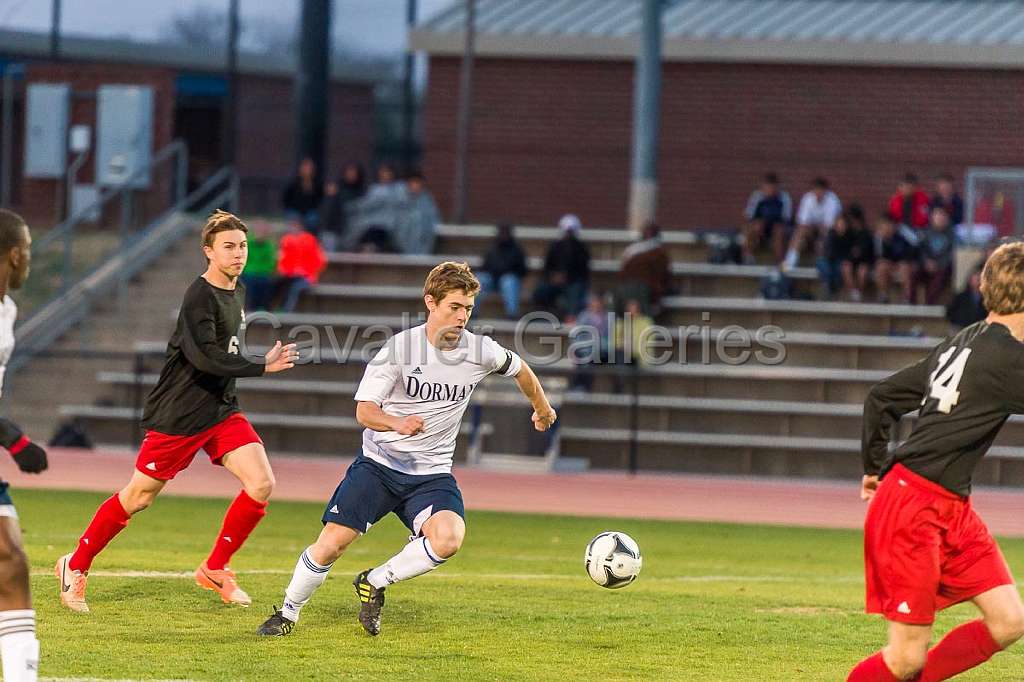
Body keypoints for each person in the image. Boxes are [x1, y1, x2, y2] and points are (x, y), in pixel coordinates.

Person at [256, 261, 557, 637]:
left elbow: (522, 370)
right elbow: (364, 411)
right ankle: (287, 613)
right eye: (455, 307)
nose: (462, 317)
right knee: (331, 545)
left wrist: (542, 409)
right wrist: (397, 423)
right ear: (430, 302)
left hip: (430, 475)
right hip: (379, 466)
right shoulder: (398, 350)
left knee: (449, 538)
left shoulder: (480, 352)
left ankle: (375, 582)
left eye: (468, 308)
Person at [55, 210, 299, 613]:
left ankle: (215, 568)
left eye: (242, 246)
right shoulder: (199, 295)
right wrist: (261, 366)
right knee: (138, 497)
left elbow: (223, 356)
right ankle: (75, 564)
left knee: (261, 483)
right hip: (180, 415)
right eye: (229, 247)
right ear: (208, 251)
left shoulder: (236, 291)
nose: (238, 254)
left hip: (220, 410)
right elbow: (204, 358)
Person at [847, 241, 1024, 681]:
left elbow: (882, 397)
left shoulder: (965, 341)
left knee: (1009, 621)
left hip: (949, 507)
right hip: (914, 508)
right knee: (906, 658)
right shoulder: (1009, 361)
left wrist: (873, 468)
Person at [0, 210, 47, 682]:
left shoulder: (7, 310)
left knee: (11, 562)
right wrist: (16, 439)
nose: (30, 258)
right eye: (28, 249)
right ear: (14, 255)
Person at [532, 214, 591, 318]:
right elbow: (546, 267)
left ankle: (571, 317)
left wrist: (567, 277)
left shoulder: (581, 249)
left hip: (573, 282)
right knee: (541, 290)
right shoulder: (554, 247)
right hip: (553, 281)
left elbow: (583, 272)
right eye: (567, 231)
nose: (568, 234)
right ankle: (541, 316)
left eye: (570, 231)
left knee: (575, 291)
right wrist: (553, 277)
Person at [783, 177, 841, 271]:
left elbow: (829, 227)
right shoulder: (807, 198)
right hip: (811, 230)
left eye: (820, 190)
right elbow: (802, 224)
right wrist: (811, 229)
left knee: (822, 241)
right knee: (799, 234)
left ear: (825, 191)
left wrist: (817, 232)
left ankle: (821, 266)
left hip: (829, 233)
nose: (818, 193)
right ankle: (790, 262)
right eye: (816, 190)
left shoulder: (832, 200)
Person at [617, 221, 672, 316]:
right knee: (644, 317)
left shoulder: (630, 250)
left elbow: (622, 270)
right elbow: (664, 276)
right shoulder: (660, 253)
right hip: (644, 289)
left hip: (626, 287)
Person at [819, 208, 874, 302]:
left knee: (862, 271)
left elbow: (862, 252)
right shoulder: (843, 233)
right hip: (848, 261)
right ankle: (853, 294)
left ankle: (859, 294)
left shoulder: (865, 233)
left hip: (864, 261)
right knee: (843, 267)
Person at [478, 223, 528, 318]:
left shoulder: (517, 250)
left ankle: (512, 314)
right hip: (492, 280)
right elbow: (484, 267)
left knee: (508, 281)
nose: (503, 236)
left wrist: (509, 272)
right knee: (480, 279)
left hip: (509, 282)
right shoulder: (491, 249)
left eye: (505, 233)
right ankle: (472, 312)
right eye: (501, 233)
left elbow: (522, 271)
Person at [276, 220, 327, 313]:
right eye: (291, 226)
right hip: (290, 275)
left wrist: (307, 273)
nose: (293, 229)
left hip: (307, 277)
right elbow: (283, 260)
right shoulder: (286, 240)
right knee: (277, 283)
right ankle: (270, 308)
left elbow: (319, 261)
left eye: (296, 226)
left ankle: (287, 311)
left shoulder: (310, 240)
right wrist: (286, 271)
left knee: (295, 287)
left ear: (301, 227)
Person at [742, 172, 792, 264]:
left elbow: (786, 218)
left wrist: (777, 224)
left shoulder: (784, 197)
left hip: (777, 227)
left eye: (773, 187)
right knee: (755, 227)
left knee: (779, 231)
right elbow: (748, 216)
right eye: (768, 187)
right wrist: (756, 224)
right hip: (760, 226)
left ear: (777, 187)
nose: (770, 190)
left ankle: (779, 262)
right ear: (763, 187)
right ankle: (748, 257)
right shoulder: (756, 196)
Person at [321, 162, 367, 251]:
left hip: (354, 229)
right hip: (334, 229)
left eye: (353, 173)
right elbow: (327, 213)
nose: (351, 175)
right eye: (349, 172)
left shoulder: (363, 192)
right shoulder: (336, 190)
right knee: (328, 238)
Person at [915, 207, 955, 305]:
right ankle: (911, 303)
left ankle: (929, 303)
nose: (940, 218)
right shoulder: (925, 233)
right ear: (932, 217)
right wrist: (926, 262)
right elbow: (920, 251)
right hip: (926, 265)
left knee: (940, 276)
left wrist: (937, 264)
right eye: (937, 215)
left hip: (943, 267)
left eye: (942, 215)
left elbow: (952, 254)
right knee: (913, 272)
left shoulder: (952, 234)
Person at [873, 216, 916, 304]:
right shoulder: (879, 236)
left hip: (906, 261)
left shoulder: (903, 232)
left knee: (904, 268)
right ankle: (883, 296)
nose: (886, 229)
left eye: (888, 226)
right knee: (881, 266)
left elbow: (915, 246)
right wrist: (882, 239)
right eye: (883, 227)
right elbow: (880, 257)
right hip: (890, 263)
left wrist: (904, 261)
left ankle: (907, 299)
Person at [397, 170, 440, 255]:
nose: (415, 186)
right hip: (402, 240)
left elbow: (434, 217)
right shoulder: (401, 199)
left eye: (418, 183)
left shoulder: (427, 199)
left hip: (422, 239)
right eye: (413, 183)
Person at [240, 221, 277, 312]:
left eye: (263, 232)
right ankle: (252, 308)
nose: (260, 234)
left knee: (267, 283)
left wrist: (262, 271)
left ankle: (264, 308)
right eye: (259, 231)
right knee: (251, 282)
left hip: (263, 274)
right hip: (248, 273)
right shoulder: (247, 244)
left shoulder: (269, 246)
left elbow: (271, 264)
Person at [281, 157, 324, 233]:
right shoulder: (293, 183)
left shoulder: (316, 184)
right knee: (294, 220)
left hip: (309, 212)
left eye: (310, 168)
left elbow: (319, 200)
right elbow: (285, 200)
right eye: (305, 168)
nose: (307, 171)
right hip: (294, 211)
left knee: (313, 219)